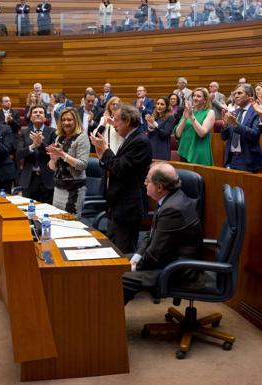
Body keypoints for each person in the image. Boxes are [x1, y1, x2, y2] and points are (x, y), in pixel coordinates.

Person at [122, 162, 202, 305]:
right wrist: (136, 257)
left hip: (177, 268)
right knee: (114, 262)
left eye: (148, 180)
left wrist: (134, 267)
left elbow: (154, 254)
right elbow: (150, 235)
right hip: (166, 259)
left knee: (120, 276)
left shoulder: (173, 209)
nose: (145, 183)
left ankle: (107, 324)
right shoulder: (169, 199)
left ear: (159, 187)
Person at [89, 104, 152, 254]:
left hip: (128, 206)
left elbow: (120, 169)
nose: (114, 124)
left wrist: (105, 150)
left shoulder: (140, 141)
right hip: (118, 204)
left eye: (116, 120)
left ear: (128, 121)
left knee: (123, 253)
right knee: (113, 249)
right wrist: (101, 155)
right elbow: (115, 165)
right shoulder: (130, 138)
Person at [46, 108, 91, 218]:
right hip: (58, 187)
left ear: (76, 121)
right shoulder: (59, 138)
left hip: (74, 189)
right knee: (56, 221)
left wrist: (63, 155)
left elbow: (82, 165)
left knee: (71, 225)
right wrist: (53, 159)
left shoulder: (82, 138)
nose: (66, 122)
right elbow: (52, 168)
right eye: (63, 120)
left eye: (69, 120)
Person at [16, 105, 57, 202]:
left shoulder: (53, 132)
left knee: (48, 210)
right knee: (29, 210)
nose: (38, 114)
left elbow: (54, 153)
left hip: (47, 178)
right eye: (35, 112)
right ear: (30, 117)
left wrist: (41, 144)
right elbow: (18, 154)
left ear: (45, 117)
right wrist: (33, 146)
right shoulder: (24, 132)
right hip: (29, 178)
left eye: (41, 112)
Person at [221, 84, 262, 172]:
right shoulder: (234, 113)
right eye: (235, 94)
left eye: (239, 93)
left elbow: (255, 135)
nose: (236, 96)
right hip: (231, 158)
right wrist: (225, 125)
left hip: (247, 159)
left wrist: (236, 124)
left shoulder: (256, 112)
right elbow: (224, 137)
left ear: (249, 96)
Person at [174, 87, 215, 166]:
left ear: (205, 100)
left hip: (199, 153)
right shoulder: (187, 111)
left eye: (198, 96)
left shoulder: (210, 112)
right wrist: (185, 118)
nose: (195, 98)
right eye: (194, 96)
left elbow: (202, 133)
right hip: (184, 151)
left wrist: (192, 117)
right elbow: (178, 134)